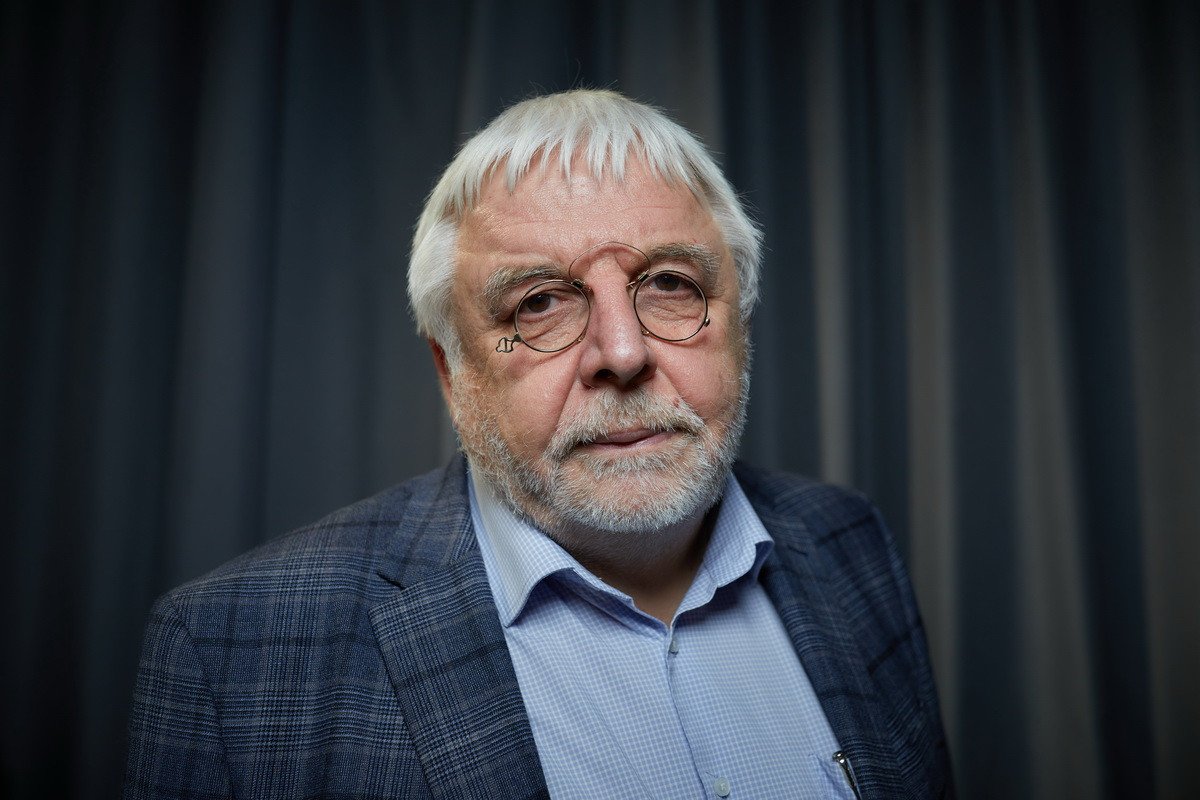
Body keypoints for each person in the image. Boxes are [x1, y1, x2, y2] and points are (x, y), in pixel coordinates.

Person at [125, 89, 953, 799]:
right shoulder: (235, 655)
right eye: (540, 303)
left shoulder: (850, 544)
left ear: (740, 322)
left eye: (671, 284)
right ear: (452, 371)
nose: (622, 354)